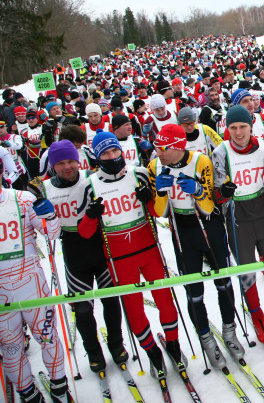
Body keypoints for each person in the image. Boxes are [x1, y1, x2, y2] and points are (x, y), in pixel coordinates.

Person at [78, 132, 185, 379]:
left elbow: (157, 213)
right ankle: (152, 354)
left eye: (115, 151)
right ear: (97, 155)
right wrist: (92, 215)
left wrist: (150, 199)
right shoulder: (89, 184)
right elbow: (84, 233)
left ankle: (173, 346)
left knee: (165, 300)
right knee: (134, 309)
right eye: (105, 153)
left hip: (148, 249)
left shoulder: (139, 173)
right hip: (118, 259)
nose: (113, 156)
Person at [149, 124, 244, 370]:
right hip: (182, 229)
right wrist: (160, 191)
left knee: (223, 282)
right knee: (194, 292)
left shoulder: (201, 161)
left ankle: (229, 332)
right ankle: (206, 339)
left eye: (163, 148)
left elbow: (210, 204)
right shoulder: (154, 165)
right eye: (157, 147)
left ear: (178, 146)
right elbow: (159, 212)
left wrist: (199, 189)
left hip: (207, 224)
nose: (158, 152)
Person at [211, 106, 264, 350]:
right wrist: (222, 192)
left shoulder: (263, 147)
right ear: (226, 129)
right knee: (247, 271)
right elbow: (216, 195)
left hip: (263, 211)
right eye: (233, 128)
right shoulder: (220, 152)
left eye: (243, 127)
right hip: (238, 216)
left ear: (251, 126)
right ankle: (257, 314)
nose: (238, 132)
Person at [40, 140, 127, 374]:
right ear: (53, 166)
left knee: (111, 300)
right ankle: (93, 351)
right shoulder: (45, 188)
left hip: (99, 244)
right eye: (60, 163)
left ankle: (117, 344)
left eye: (71, 161)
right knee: (83, 309)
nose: (67, 167)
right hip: (73, 249)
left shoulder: (91, 177)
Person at [0, 149, 73, 402]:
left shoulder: (21, 198)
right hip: (1, 293)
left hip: (31, 282)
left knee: (48, 336)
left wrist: (49, 213)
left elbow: (51, 234)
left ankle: (59, 385)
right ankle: (27, 391)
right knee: (11, 347)